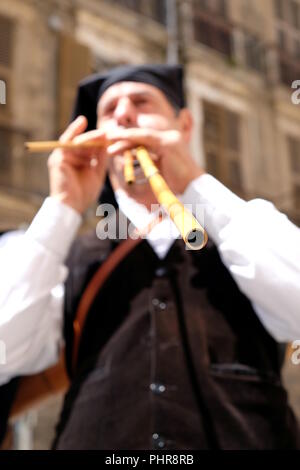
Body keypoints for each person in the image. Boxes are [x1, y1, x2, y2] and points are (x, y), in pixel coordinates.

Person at [0, 64, 299, 449]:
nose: (123, 115)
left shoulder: (238, 231)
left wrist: (193, 181)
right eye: (109, 112)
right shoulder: (72, 253)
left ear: (185, 126)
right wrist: (62, 207)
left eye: (141, 102)